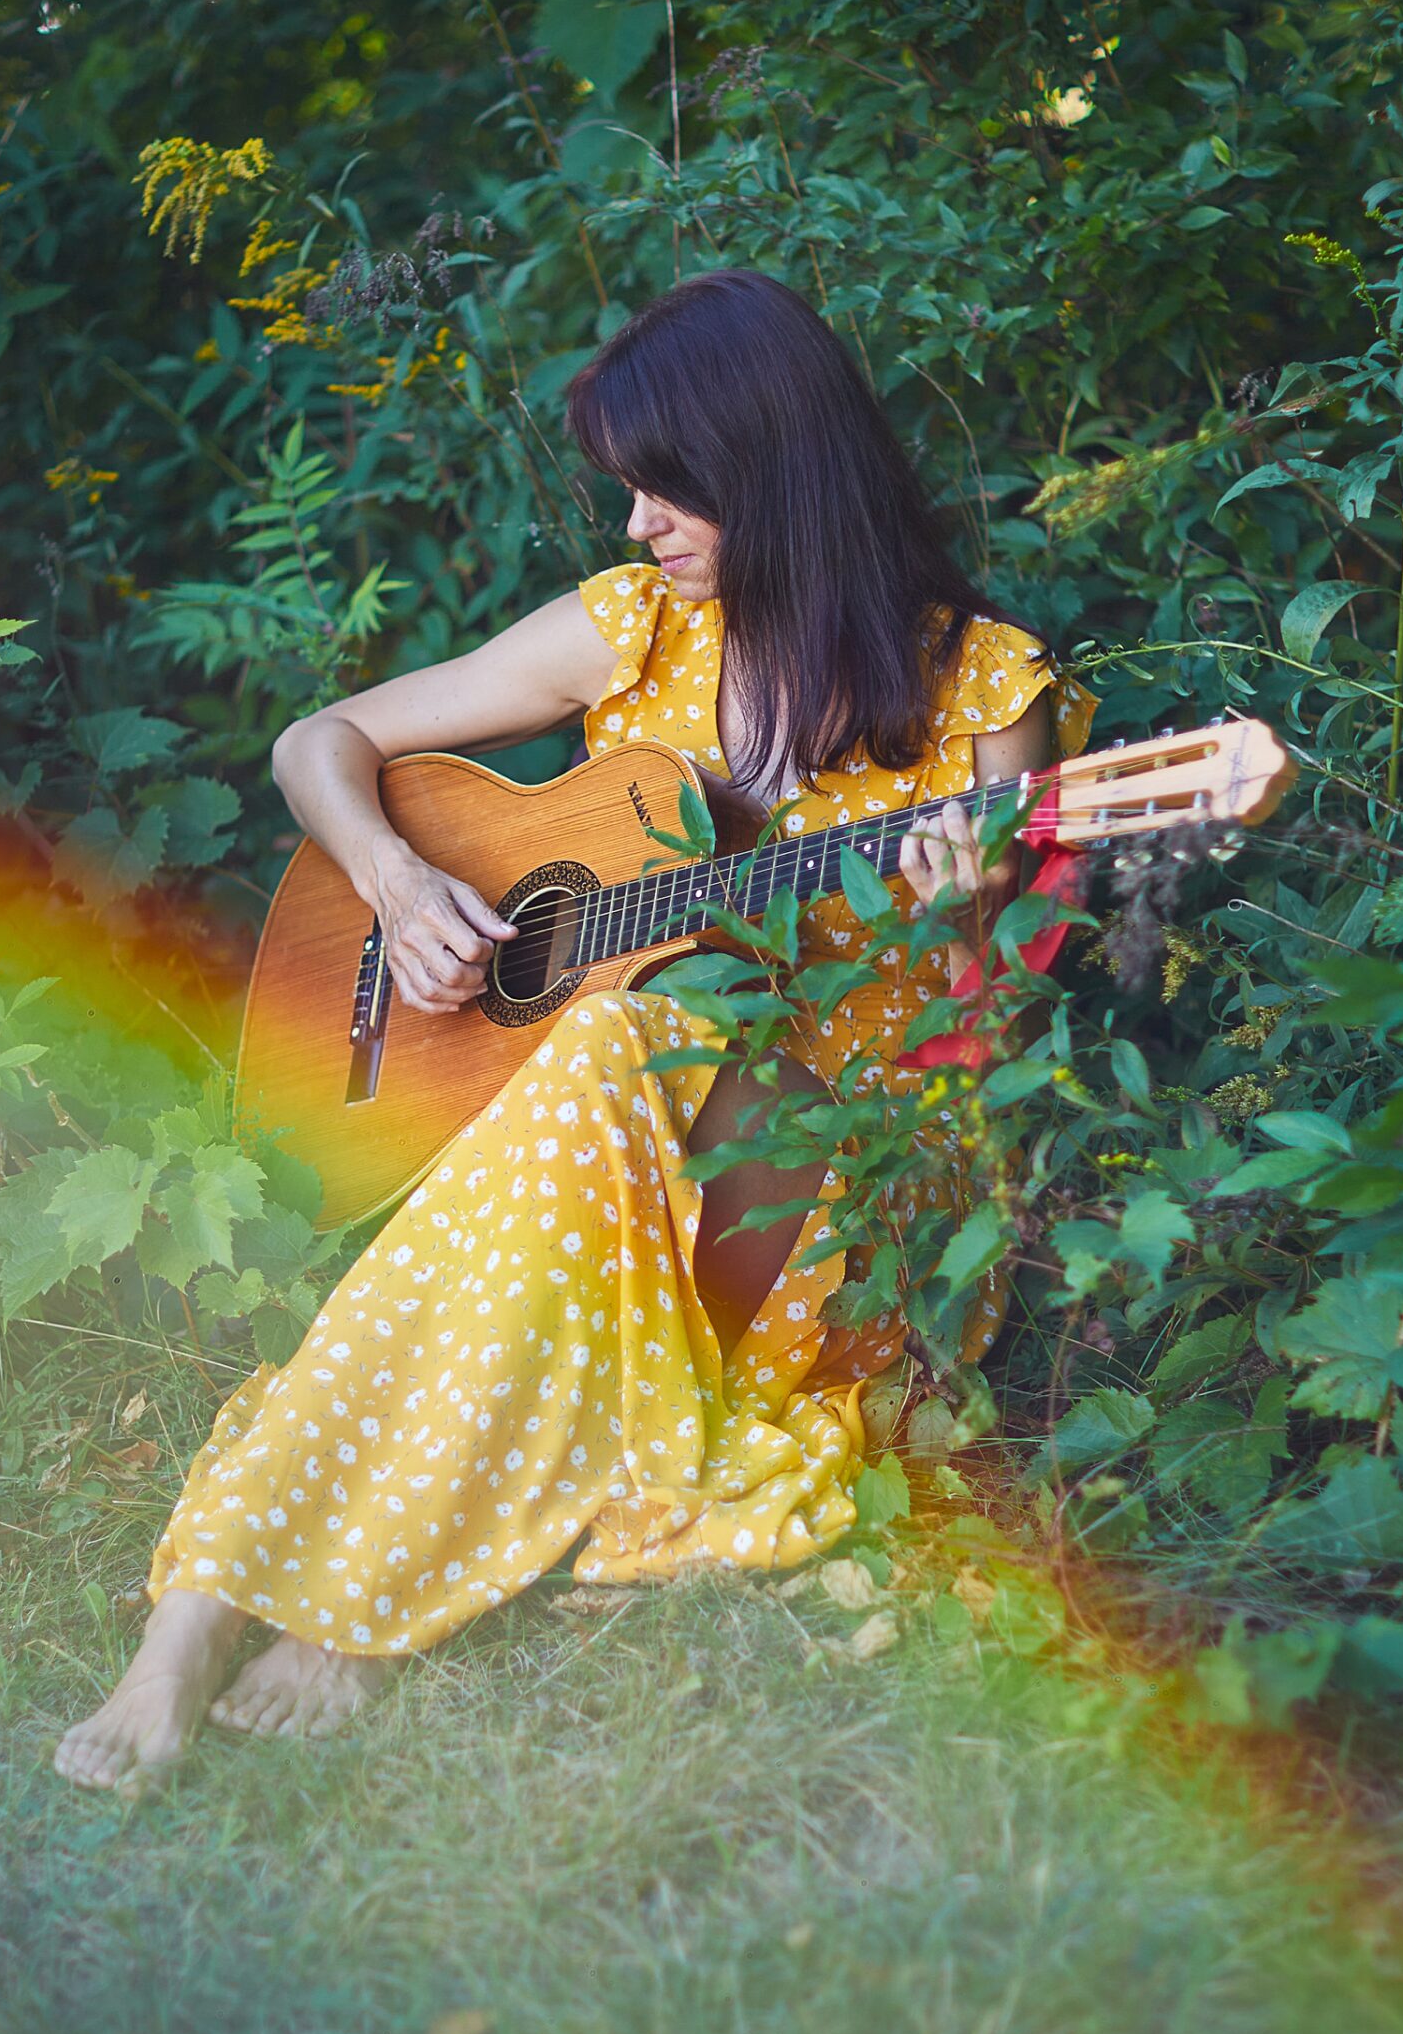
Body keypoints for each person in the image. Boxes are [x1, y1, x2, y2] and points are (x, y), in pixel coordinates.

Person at [54, 268, 1094, 1792]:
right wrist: (401, 882)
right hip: (609, 1137)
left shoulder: (983, 691)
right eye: (630, 496)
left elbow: (985, 1045)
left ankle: (328, 1597)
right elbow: (315, 743)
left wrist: (964, 931)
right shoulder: (632, 633)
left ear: (778, 473)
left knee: (604, 1054)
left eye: (671, 495)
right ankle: (200, 1620)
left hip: (849, 1175)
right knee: (606, 1054)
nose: (638, 531)